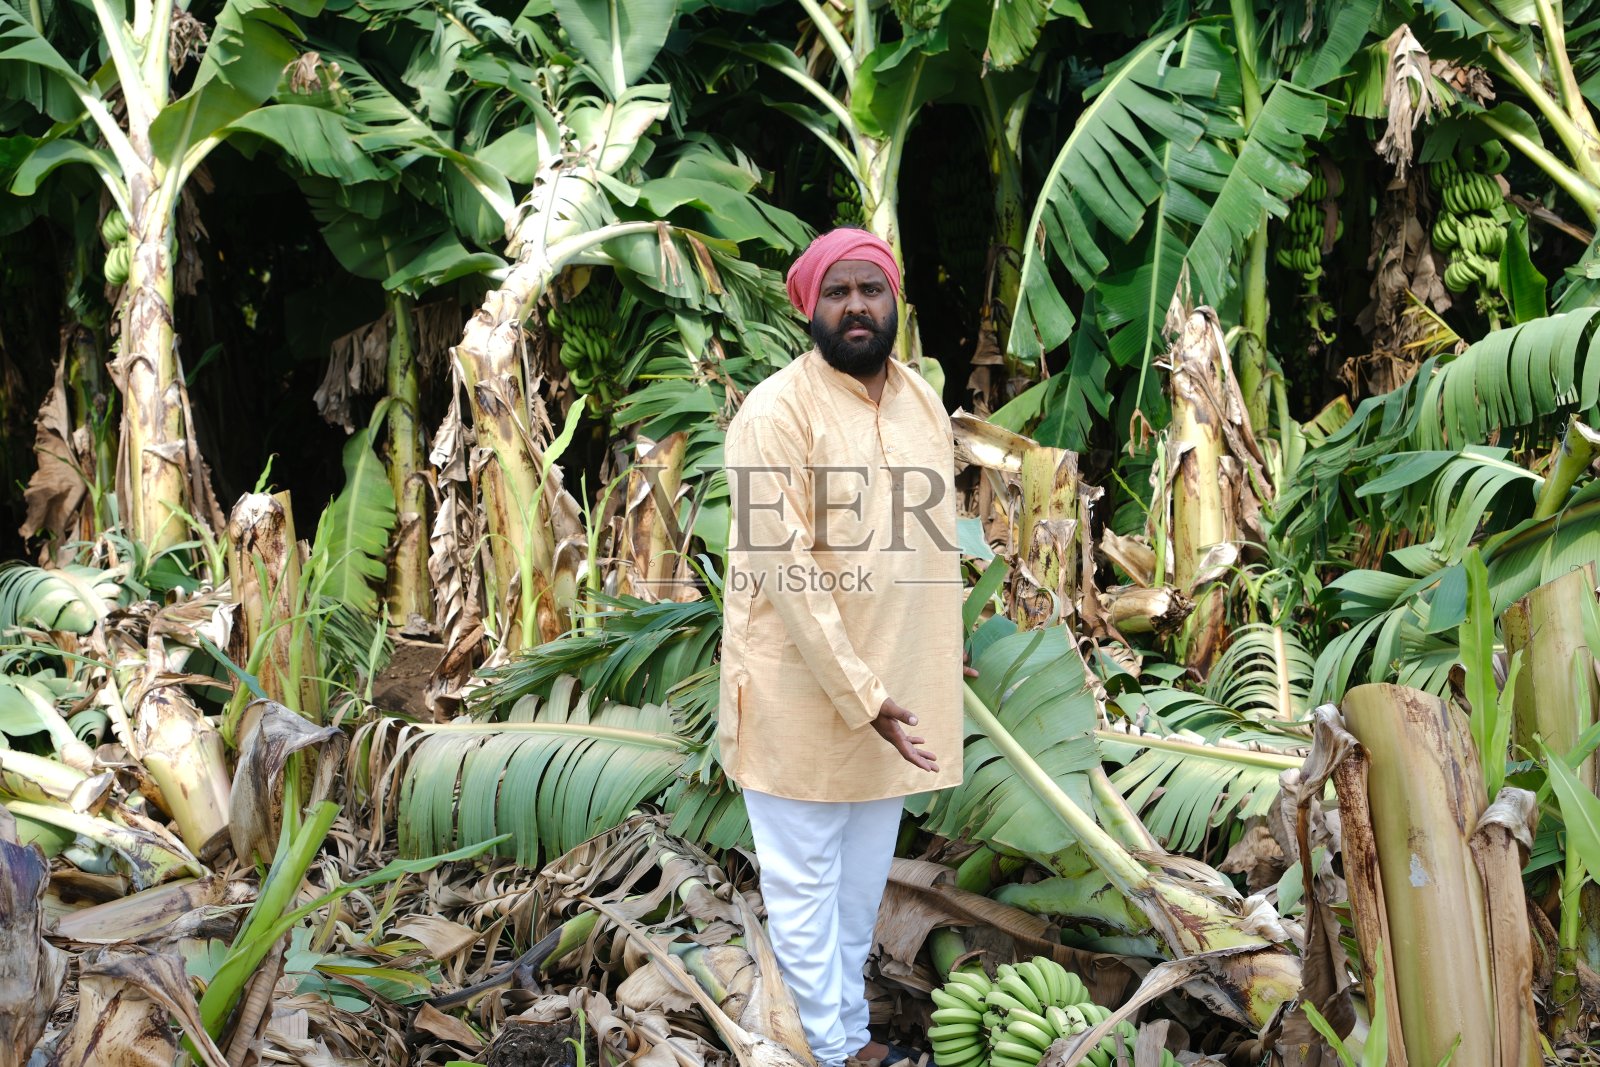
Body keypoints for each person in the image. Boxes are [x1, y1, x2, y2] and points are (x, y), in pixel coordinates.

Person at [717, 228, 969, 1067]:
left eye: (871, 289)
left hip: (898, 687)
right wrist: (863, 695)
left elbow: (931, 545)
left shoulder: (922, 400)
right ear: (810, 307)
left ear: (895, 300)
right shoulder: (773, 413)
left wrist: (942, 644)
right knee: (803, 885)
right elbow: (784, 571)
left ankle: (847, 1035)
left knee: (859, 890)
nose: (857, 305)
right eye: (839, 291)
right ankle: (828, 1050)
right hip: (801, 694)